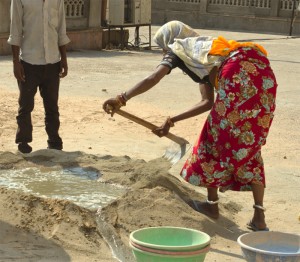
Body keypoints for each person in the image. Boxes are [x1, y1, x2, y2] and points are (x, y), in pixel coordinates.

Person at [103, 21, 277, 231]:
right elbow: (207, 103)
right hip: (263, 73)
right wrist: (172, 120)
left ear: (169, 41)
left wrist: (121, 98)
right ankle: (259, 217)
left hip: (237, 72)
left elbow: (153, 77)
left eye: (163, 47)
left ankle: (211, 207)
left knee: (210, 141)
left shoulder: (179, 48)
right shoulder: (204, 54)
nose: (165, 52)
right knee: (249, 145)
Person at [7, 0, 71, 153]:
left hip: (53, 62)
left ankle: (54, 142)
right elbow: (15, 30)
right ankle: (23, 142)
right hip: (28, 62)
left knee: (52, 106)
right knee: (25, 105)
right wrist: (16, 62)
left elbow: (61, 30)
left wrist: (64, 59)